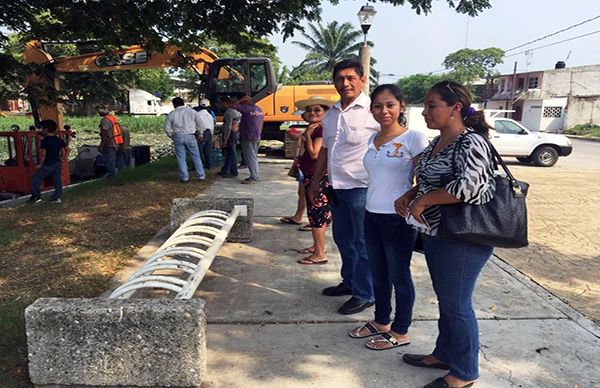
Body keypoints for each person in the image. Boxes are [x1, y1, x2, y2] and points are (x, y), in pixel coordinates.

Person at [395, 80, 496, 388]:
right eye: (425, 106)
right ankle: (444, 354)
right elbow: (426, 178)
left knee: (457, 303)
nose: (425, 112)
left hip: (466, 236)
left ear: (455, 109)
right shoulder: (438, 142)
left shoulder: (471, 142)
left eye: (431, 106)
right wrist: (411, 193)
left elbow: (471, 186)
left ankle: (464, 373)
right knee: (447, 300)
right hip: (439, 233)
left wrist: (425, 199)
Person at [349, 84, 429, 350]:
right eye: (378, 105)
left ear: (401, 106)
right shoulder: (372, 140)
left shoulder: (413, 138)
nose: (384, 111)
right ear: (371, 109)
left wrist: (410, 196)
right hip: (371, 214)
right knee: (378, 273)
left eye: (390, 105)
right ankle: (381, 321)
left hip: (398, 219)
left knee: (398, 275)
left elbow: (427, 179)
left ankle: (401, 330)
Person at [308, 59, 380, 315]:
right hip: (336, 187)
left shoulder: (374, 110)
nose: (345, 83)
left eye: (351, 78)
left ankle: (365, 293)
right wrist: (316, 182)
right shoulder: (333, 112)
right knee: (343, 240)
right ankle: (350, 282)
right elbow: (326, 150)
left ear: (362, 80)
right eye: (340, 79)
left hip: (361, 187)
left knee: (363, 243)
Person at [293, 96, 335, 265]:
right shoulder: (317, 128)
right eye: (309, 110)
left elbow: (315, 153)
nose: (312, 113)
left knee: (317, 215)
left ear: (326, 113)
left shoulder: (319, 130)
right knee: (316, 214)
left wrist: (308, 136)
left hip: (317, 176)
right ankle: (317, 247)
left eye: (317, 110)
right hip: (312, 174)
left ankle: (319, 253)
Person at [164, 97, 206, 182]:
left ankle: (184, 177)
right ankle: (201, 175)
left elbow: (167, 128)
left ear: (174, 104)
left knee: (181, 157)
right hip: (190, 135)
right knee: (196, 156)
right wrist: (200, 134)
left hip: (178, 136)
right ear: (183, 103)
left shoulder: (172, 113)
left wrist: (172, 136)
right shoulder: (192, 111)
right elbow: (201, 124)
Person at [27, 119, 67, 204]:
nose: (41, 130)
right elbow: (66, 149)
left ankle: (36, 196)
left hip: (48, 163)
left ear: (46, 129)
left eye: (42, 128)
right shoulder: (58, 140)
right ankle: (56, 197)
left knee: (36, 178)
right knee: (57, 179)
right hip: (57, 162)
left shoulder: (45, 141)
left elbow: (43, 154)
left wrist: (40, 164)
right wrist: (64, 157)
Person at [235, 95, 264, 184]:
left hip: (248, 136)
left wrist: (240, 99)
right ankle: (255, 175)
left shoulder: (246, 109)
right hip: (256, 135)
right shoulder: (259, 109)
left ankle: (254, 177)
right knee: (253, 156)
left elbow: (234, 106)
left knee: (249, 157)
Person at [218, 97, 242, 178]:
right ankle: (225, 169)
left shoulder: (229, 112)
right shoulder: (237, 112)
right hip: (235, 133)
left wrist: (225, 139)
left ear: (226, 103)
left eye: (222, 103)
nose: (221, 105)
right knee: (229, 153)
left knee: (231, 153)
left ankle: (233, 171)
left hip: (231, 134)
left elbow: (228, 126)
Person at [98, 108, 123, 179]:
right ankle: (114, 175)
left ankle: (112, 177)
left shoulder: (104, 120)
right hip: (116, 141)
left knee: (110, 161)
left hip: (109, 143)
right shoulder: (113, 118)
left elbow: (105, 134)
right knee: (113, 160)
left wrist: (101, 145)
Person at [194, 98, 216, 170]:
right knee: (208, 150)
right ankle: (208, 165)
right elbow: (213, 125)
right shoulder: (210, 115)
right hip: (209, 132)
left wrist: (200, 134)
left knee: (198, 151)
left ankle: (197, 166)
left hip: (202, 133)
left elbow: (198, 125)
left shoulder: (197, 114)